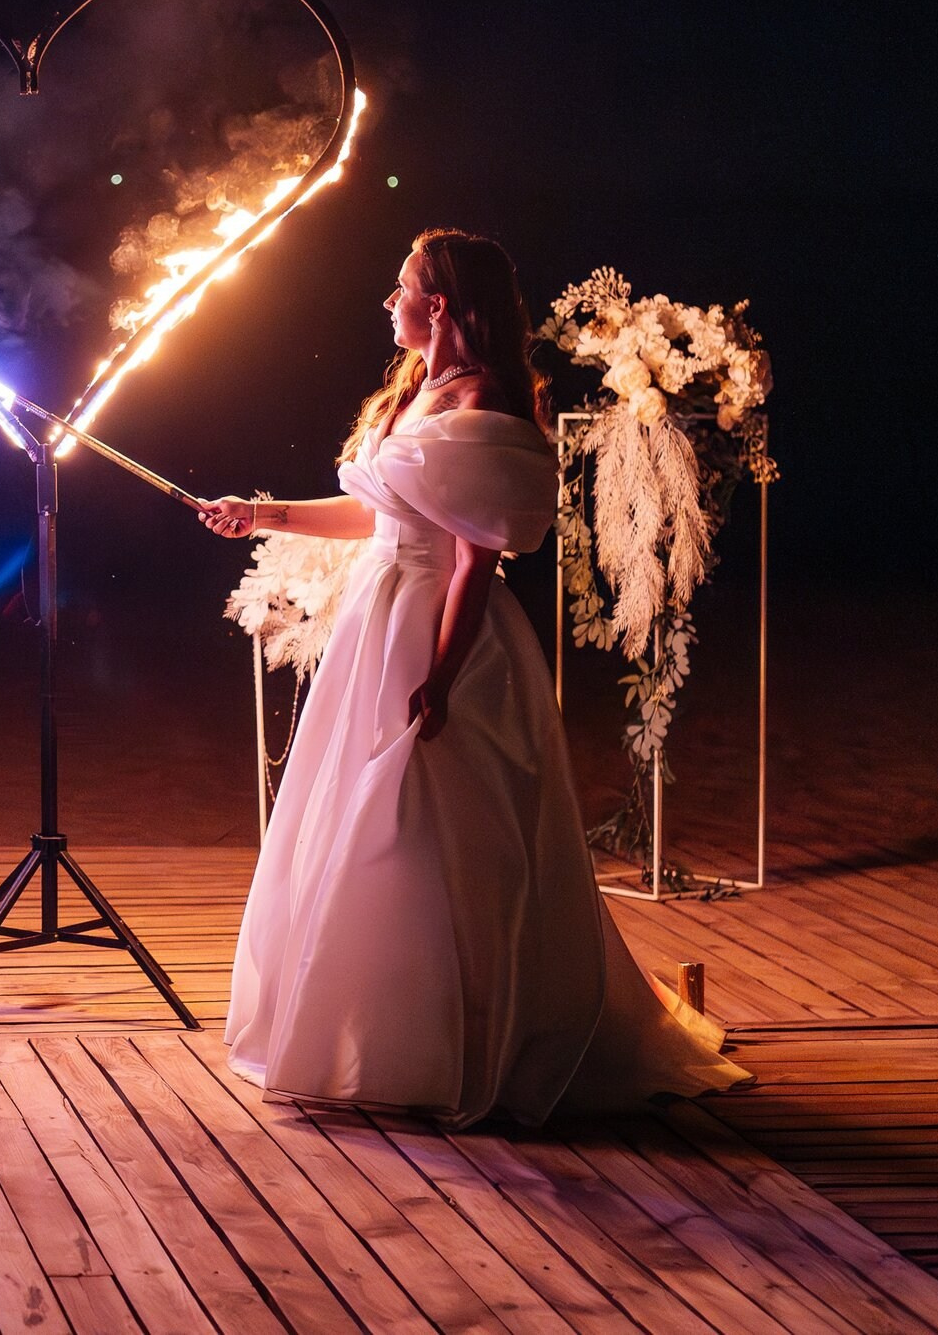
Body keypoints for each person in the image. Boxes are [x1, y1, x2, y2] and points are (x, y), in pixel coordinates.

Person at [200, 228, 747, 1126]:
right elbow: (376, 515)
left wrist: (442, 673)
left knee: (434, 824)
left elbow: (472, 560)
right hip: (379, 622)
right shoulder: (415, 390)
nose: (389, 302)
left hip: (434, 629)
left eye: (402, 287)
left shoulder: (486, 400)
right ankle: (370, 1034)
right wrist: (260, 513)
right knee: (362, 819)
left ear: (441, 304)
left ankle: (465, 1039)